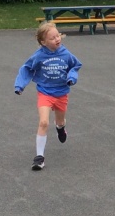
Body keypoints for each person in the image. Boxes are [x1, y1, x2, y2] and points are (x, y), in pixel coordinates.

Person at [15, 22, 82, 170]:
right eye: (52, 38)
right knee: (43, 122)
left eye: (58, 35)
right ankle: (39, 158)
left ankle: (60, 128)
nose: (57, 39)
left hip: (61, 93)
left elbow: (75, 66)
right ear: (43, 42)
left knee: (60, 121)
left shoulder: (66, 54)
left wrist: (72, 77)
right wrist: (20, 85)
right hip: (45, 92)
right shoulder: (39, 56)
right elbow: (27, 69)